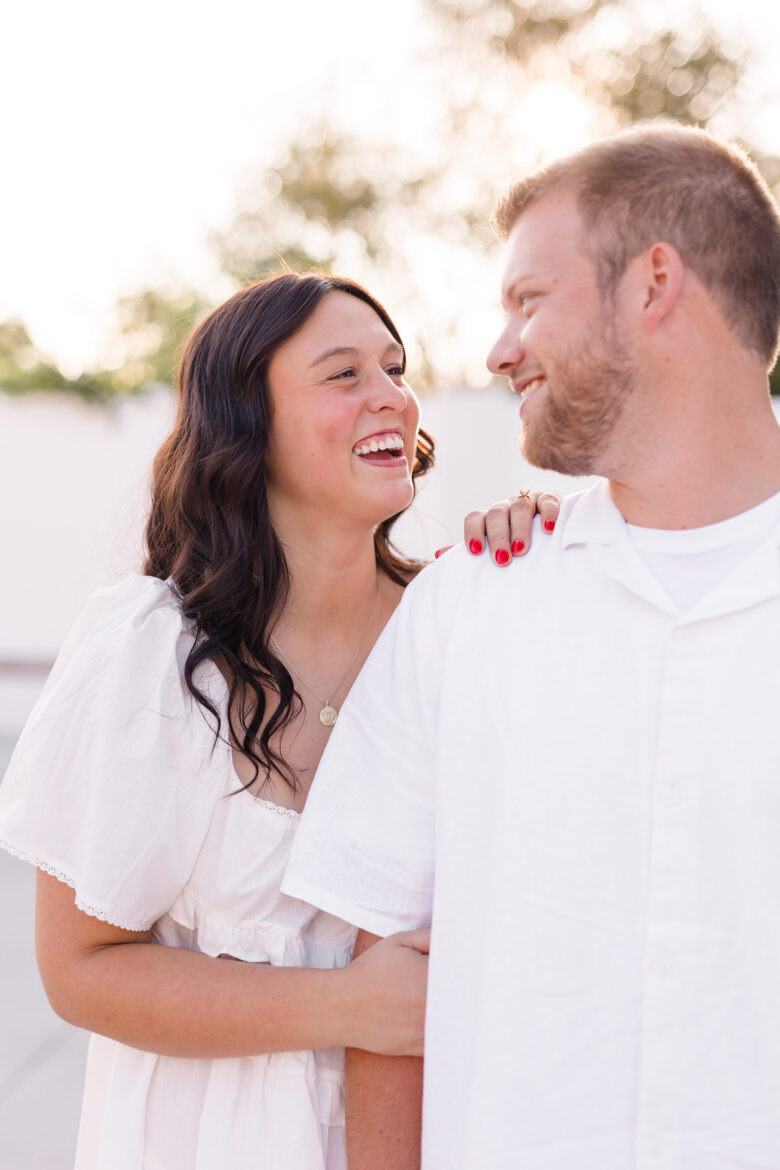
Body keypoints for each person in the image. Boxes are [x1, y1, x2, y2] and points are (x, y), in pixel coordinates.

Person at [282, 123, 780, 1170]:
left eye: (528, 300)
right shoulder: (470, 607)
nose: (500, 349)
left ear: (652, 284)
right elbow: (388, 985)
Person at [0, 271, 559, 1170]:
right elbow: (79, 969)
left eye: (394, 366)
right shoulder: (148, 652)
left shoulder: (464, 619)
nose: (391, 396)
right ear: (246, 429)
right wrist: (344, 1006)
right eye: (342, 375)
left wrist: (548, 555)